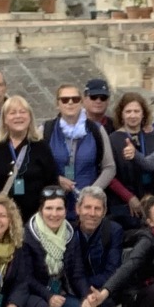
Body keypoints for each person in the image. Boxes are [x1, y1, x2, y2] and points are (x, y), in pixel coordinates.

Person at [26, 186, 94, 307]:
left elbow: (77, 273)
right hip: (35, 298)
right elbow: (25, 278)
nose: (54, 214)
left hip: (60, 293)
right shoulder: (27, 236)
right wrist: (48, 296)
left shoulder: (70, 234)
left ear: (66, 210)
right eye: (49, 208)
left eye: (59, 208)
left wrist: (87, 297)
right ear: (40, 210)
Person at [0, 94, 60, 222]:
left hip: (32, 218)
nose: (18, 116)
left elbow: (51, 182)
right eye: (12, 113)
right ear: (5, 119)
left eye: (22, 112)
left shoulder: (41, 146)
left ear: (29, 117)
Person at [44, 82, 117, 216]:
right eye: (65, 100)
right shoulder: (45, 130)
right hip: (56, 204)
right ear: (57, 104)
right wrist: (57, 179)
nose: (70, 103)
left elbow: (109, 167)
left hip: (89, 207)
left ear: (81, 102)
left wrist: (91, 192)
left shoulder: (96, 130)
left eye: (75, 99)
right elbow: (39, 167)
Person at [74, 186, 124, 307]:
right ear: (78, 209)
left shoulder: (114, 230)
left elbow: (113, 270)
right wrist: (83, 289)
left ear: (104, 211)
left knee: (104, 299)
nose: (92, 213)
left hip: (104, 286)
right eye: (87, 207)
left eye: (97, 208)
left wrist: (92, 292)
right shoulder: (69, 231)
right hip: (77, 286)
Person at [108, 91, 154, 226]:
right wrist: (129, 198)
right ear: (121, 114)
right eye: (128, 111)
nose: (132, 115)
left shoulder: (153, 137)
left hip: (151, 202)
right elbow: (109, 175)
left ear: (143, 114)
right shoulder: (113, 140)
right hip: (124, 205)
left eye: (137, 111)